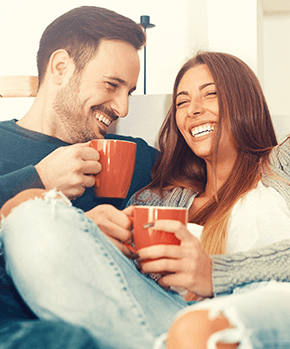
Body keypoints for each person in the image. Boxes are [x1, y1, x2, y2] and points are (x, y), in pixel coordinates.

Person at [1, 51, 290, 349]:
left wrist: (216, 273)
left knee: (198, 329)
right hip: (173, 322)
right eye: (182, 102)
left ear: (246, 100)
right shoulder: (157, 199)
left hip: (270, 316)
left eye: (211, 94)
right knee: (27, 211)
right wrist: (93, 233)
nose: (193, 110)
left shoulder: (284, 162)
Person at [0, 5, 159, 349]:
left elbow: (224, 172)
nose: (123, 108)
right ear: (60, 67)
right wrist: (38, 179)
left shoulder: (132, 155)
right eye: (112, 85)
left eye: (128, 91)